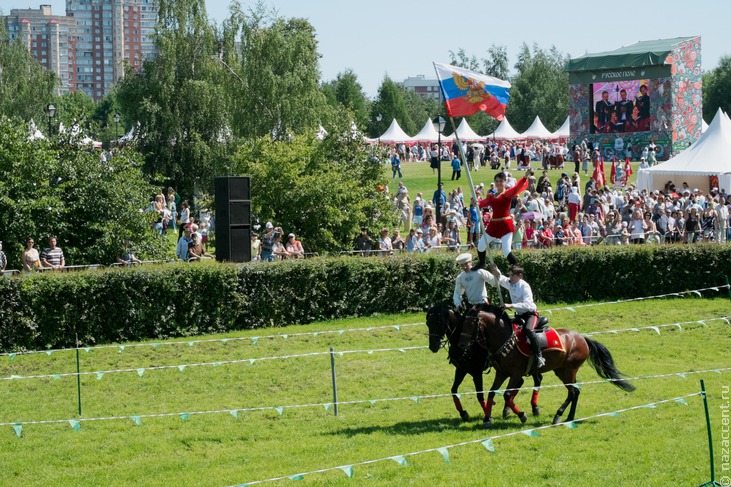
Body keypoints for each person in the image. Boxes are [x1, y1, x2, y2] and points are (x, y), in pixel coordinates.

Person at [490, 264, 545, 368]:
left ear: (519, 276)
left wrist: (511, 305)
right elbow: (501, 278)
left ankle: (539, 356)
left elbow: (527, 305)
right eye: (509, 275)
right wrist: (496, 271)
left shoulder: (525, 286)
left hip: (530, 314)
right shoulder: (510, 283)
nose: (509, 278)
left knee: (528, 330)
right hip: (520, 315)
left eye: (511, 276)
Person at [476, 170, 530, 268]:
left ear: (505, 182)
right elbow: (482, 204)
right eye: (497, 181)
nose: (498, 183)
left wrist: (525, 176)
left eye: (501, 181)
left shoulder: (507, 194)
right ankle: (481, 263)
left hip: (505, 225)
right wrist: (476, 201)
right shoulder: (491, 196)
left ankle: (517, 268)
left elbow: (517, 187)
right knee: (481, 245)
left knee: (506, 251)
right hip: (494, 226)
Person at [453, 253, 499, 350]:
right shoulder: (460, 277)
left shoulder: (480, 272)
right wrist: (458, 304)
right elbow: (457, 294)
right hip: (471, 306)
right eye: (462, 265)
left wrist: (497, 274)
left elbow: (494, 283)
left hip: (483, 305)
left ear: (471, 262)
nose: (465, 267)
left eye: (466, 264)